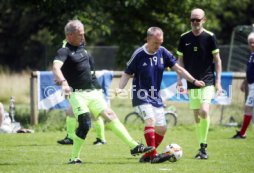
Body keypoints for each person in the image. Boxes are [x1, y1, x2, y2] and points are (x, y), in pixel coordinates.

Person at [52, 19, 154, 164]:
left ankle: (134, 146)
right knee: (85, 124)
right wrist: (63, 82)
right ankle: (74, 158)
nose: (83, 37)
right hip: (77, 94)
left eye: (83, 33)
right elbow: (56, 67)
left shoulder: (82, 47)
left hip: (93, 92)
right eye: (80, 34)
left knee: (110, 115)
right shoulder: (64, 51)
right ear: (69, 35)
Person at [117, 27, 205, 163]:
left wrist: (193, 80)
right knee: (150, 120)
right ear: (147, 39)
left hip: (155, 96)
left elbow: (179, 69)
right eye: (155, 43)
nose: (158, 46)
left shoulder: (163, 52)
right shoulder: (139, 54)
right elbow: (127, 73)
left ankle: (147, 156)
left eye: (160, 43)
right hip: (141, 94)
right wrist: (120, 88)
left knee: (162, 128)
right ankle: (153, 156)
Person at [176, 8, 222, 160]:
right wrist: (179, 79)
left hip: (207, 81)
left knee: (204, 111)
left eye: (198, 19)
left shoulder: (210, 37)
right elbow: (180, 61)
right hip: (191, 81)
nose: (195, 22)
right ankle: (201, 147)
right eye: (192, 20)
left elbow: (217, 60)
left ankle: (204, 145)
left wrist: (218, 82)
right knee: (196, 116)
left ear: (204, 20)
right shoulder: (184, 37)